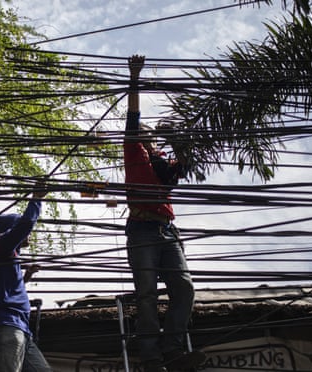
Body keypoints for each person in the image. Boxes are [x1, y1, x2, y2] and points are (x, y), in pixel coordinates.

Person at [123, 55, 202, 372]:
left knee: (184, 288)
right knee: (147, 295)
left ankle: (172, 348)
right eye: (140, 129)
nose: (143, 131)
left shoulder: (160, 161)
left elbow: (183, 166)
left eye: (147, 131)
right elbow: (132, 115)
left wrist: (177, 139)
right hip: (142, 229)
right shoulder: (133, 151)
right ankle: (151, 356)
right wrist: (135, 76)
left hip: (168, 231)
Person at [0, 186, 52, 372]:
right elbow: (26, 224)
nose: (29, 235)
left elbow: (8, 288)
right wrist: (36, 198)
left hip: (21, 329)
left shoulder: (10, 256)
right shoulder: (1, 246)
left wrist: (26, 276)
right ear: (12, 230)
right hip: (6, 326)